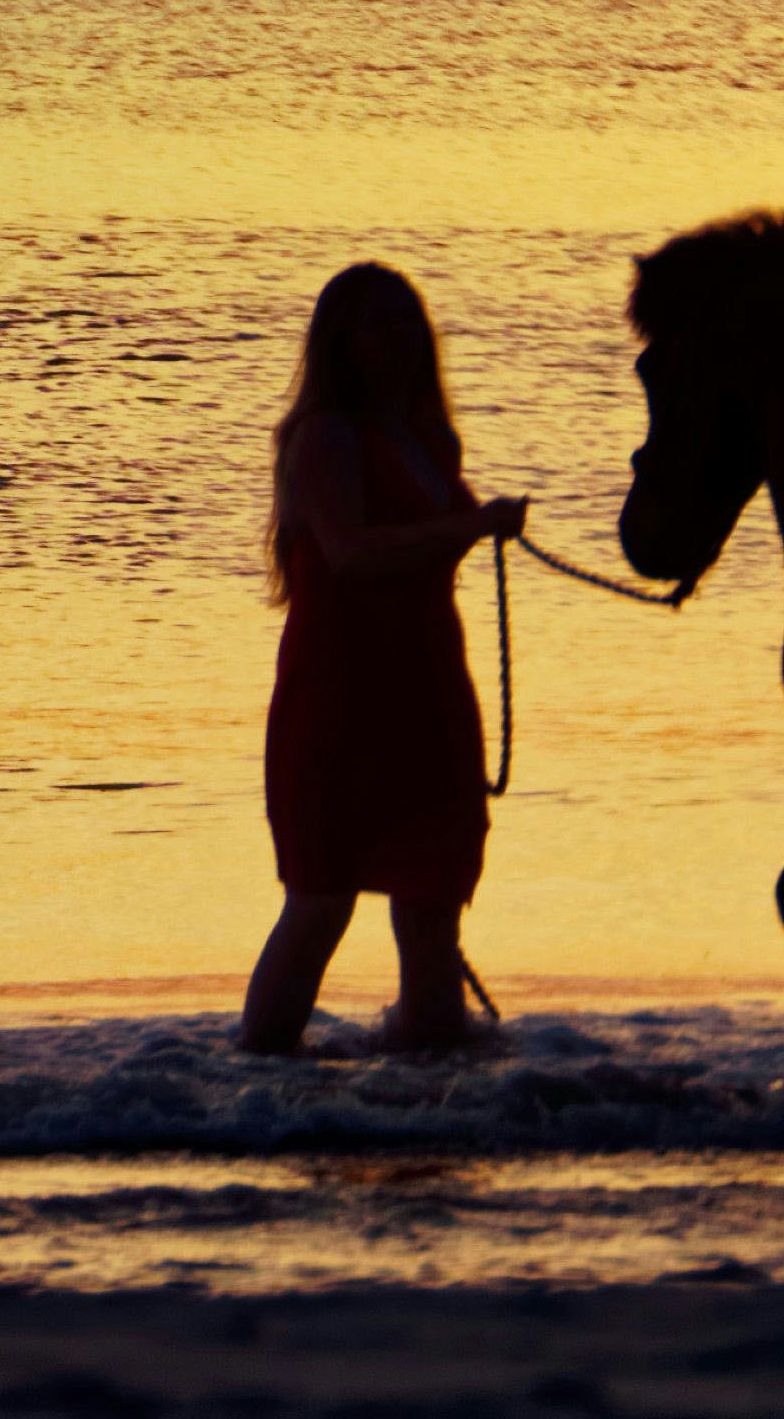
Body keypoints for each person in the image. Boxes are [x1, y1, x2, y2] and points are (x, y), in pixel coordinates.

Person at [238, 259, 527, 1054]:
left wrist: (471, 526)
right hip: (339, 702)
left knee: (432, 906)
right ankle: (257, 1095)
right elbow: (350, 556)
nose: (399, 337)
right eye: (378, 323)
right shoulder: (323, 437)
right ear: (342, 341)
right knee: (320, 903)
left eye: (409, 320)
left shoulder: (433, 438)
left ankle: (431, 1113)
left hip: (429, 696)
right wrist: (471, 528)